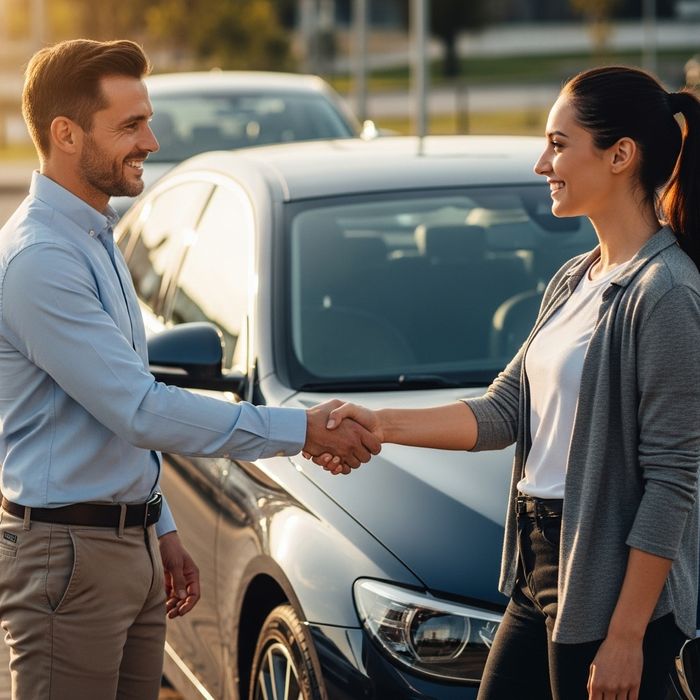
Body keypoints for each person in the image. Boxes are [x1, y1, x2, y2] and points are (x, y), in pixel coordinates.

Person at [0, 39, 379, 700]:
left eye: (146, 119)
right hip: (68, 560)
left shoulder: (93, 233)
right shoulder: (41, 260)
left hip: (123, 541)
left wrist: (160, 526)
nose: (151, 139)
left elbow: (114, 413)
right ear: (65, 134)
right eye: (130, 125)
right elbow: (139, 408)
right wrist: (301, 430)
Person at [309, 66, 700, 699]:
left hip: (606, 583)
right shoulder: (575, 278)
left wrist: (626, 637)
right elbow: (503, 409)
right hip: (535, 566)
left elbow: (673, 481)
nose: (541, 162)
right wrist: (376, 423)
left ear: (621, 155)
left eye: (557, 143)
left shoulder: (667, 293)